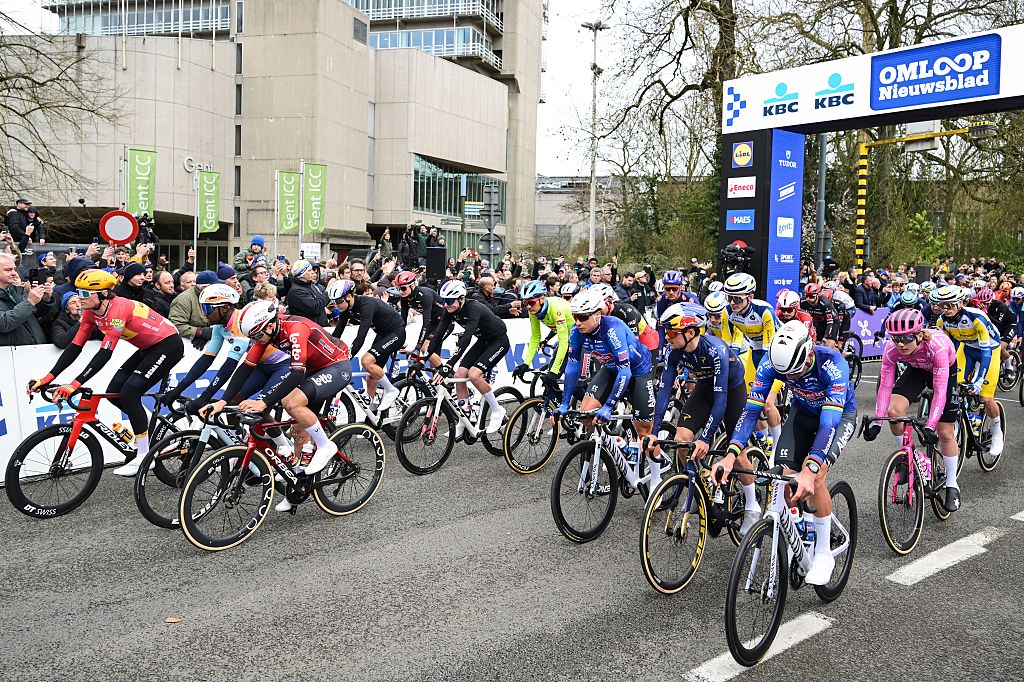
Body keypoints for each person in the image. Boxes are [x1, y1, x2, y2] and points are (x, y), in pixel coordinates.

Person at [717, 321, 857, 585]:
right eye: (787, 376)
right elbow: (749, 412)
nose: (791, 379)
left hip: (837, 417)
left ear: (809, 355)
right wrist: (731, 454)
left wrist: (811, 468)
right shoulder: (771, 363)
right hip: (802, 413)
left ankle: (824, 552)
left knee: (814, 477)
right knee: (784, 479)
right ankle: (802, 526)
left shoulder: (833, 363)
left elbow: (828, 425)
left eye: (796, 373)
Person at [29, 270, 185, 476]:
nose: (79, 298)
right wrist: (46, 378)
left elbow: (104, 354)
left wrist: (74, 384)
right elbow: (74, 348)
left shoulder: (118, 309)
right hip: (148, 348)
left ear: (103, 294)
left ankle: (145, 456)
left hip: (168, 345)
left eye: (85, 294)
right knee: (114, 392)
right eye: (78, 292)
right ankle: (148, 432)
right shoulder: (90, 312)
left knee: (130, 392)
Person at [206, 302, 353, 491]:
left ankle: (325, 445)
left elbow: (297, 373)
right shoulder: (267, 333)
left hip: (336, 365)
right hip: (315, 369)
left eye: (258, 336)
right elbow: (245, 368)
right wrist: (222, 402)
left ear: (270, 325)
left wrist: (264, 402)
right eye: (252, 337)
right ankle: (297, 489)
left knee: (291, 403)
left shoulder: (295, 329)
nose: (257, 341)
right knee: (298, 432)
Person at [654, 303, 759, 533]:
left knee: (737, 452)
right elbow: (663, 391)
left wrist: (706, 438)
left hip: (731, 391)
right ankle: (695, 485)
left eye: (671, 332)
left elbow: (720, 402)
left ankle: (752, 505)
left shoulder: (716, 350)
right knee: (682, 439)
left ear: (690, 332)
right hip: (705, 388)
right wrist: (653, 433)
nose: (666, 337)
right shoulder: (674, 351)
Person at [554, 288, 662, 487]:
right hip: (612, 368)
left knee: (645, 432)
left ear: (597, 314)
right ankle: (616, 444)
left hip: (638, 370)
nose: (577, 322)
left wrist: (609, 405)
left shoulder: (613, 328)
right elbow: (571, 368)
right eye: (574, 316)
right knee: (586, 412)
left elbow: (626, 372)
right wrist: (563, 403)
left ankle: (656, 480)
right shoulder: (577, 332)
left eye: (582, 317)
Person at [864, 308, 961, 512]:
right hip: (916, 370)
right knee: (893, 411)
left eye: (906, 338)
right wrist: (877, 422)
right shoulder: (892, 349)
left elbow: (940, 392)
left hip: (943, 371)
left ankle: (952, 484)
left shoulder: (937, 347)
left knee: (945, 432)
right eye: (896, 338)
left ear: (918, 335)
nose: (900, 344)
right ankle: (908, 458)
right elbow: (885, 386)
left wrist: (930, 426)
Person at [426, 280, 511, 435]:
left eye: (450, 301)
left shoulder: (474, 308)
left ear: (461, 298)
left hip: (498, 341)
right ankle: (464, 417)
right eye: (444, 301)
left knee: (474, 375)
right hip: (483, 341)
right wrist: (424, 356)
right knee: (459, 375)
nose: (446, 304)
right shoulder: (449, 310)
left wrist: (448, 365)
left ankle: (497, 409)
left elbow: (466, 339)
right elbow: (438, 335)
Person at [930, 284, 1003, 457]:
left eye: (949, 305)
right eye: (942, 305)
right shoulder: (942, 321)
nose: (945, 309)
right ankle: (963, 420)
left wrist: (979, 380)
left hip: (989, 350)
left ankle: (997, 430)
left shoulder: (976, 317)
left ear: (960, 304)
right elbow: (946, 349)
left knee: (985, 397)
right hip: (968, 348)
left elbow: (986, 353)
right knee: (953, 386)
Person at [724, 272, 783, 450]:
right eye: (729, 297)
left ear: (750, 297)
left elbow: (768, 351)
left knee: (767, 403)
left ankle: (779, 444)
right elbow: (726, 347)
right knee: (750, 401)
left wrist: (762, 381)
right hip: (754, 349)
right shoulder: (727, 312)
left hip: (777, 353)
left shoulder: (764, 311)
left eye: (737, 298)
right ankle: (763, 441)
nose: (732, 302)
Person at [327, 279, 405, 411]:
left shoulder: (366, 304)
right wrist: (327, 351)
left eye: (339, 301)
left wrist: (348, 357)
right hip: (382, 334)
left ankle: (391, 390)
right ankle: (373, 412)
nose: (337, 306)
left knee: (366, 361)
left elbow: (361, 336)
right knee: (371, 378)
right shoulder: (346, 308)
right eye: (334, 302)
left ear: (349, 296)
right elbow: (337, 333)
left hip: (396, 332)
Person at [513, 279, 573, 387]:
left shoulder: (555, 309)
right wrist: (526, 364)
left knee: (574, 386)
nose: (528, 306)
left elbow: (563, 341)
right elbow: (535, 337)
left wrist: (554, 371)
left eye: (531, 302)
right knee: (548, 380)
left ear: (541, 299)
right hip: (565, 337)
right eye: (525, 303)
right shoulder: (533, 311)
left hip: (578, 337)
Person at [0, 252, 55, 345]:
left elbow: (34, 314)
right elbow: (4, 323)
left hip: (35, 351)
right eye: (8, 270)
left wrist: (44, 299)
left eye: (14, 269)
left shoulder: (17, 291)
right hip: (11, 356)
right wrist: (30, 302)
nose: (14, 273)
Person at [592, 283, 659, 351]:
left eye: (598, 306)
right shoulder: (598, 315)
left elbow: (634, 341)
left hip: (646, 341)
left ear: (608, 301)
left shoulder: (627, 310)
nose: (595, 310)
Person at [395, 270, 443, 354]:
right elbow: (403, 321)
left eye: (403, 288)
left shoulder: (425, 295)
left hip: (443, 322)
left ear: (413, 285)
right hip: (432, 321)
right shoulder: (404, 297)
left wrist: (418, 346)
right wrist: (397, 339)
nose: (400, 292)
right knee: (428, 352)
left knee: (427, 348)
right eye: (398, 288)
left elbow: (426, 323)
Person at [171, 270, 218, 347]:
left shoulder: (214, 296)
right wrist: (199, 332)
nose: (218, 289)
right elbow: (176, 325)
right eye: (215, 287)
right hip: (188, 345)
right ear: (204, 287)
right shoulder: (183, 300)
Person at [285, 259, 329, 325]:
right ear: (301, 274)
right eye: (309, 270)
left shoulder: (310, 285)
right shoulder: (296, 292)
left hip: (318, 327)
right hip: (309, 329)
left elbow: (319, 301)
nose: (313, 272)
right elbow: (315, 308)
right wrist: (327, 292)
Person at [801, 282, 839, 347]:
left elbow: (830, 323)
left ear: (818, 295)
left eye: (811, 296)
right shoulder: (803, 302)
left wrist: (825, 338)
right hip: (819, 322)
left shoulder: (825, 303)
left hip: (832, 322)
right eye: (806, 295)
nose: (808, 299)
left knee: (828, 345)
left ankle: (839, 355)